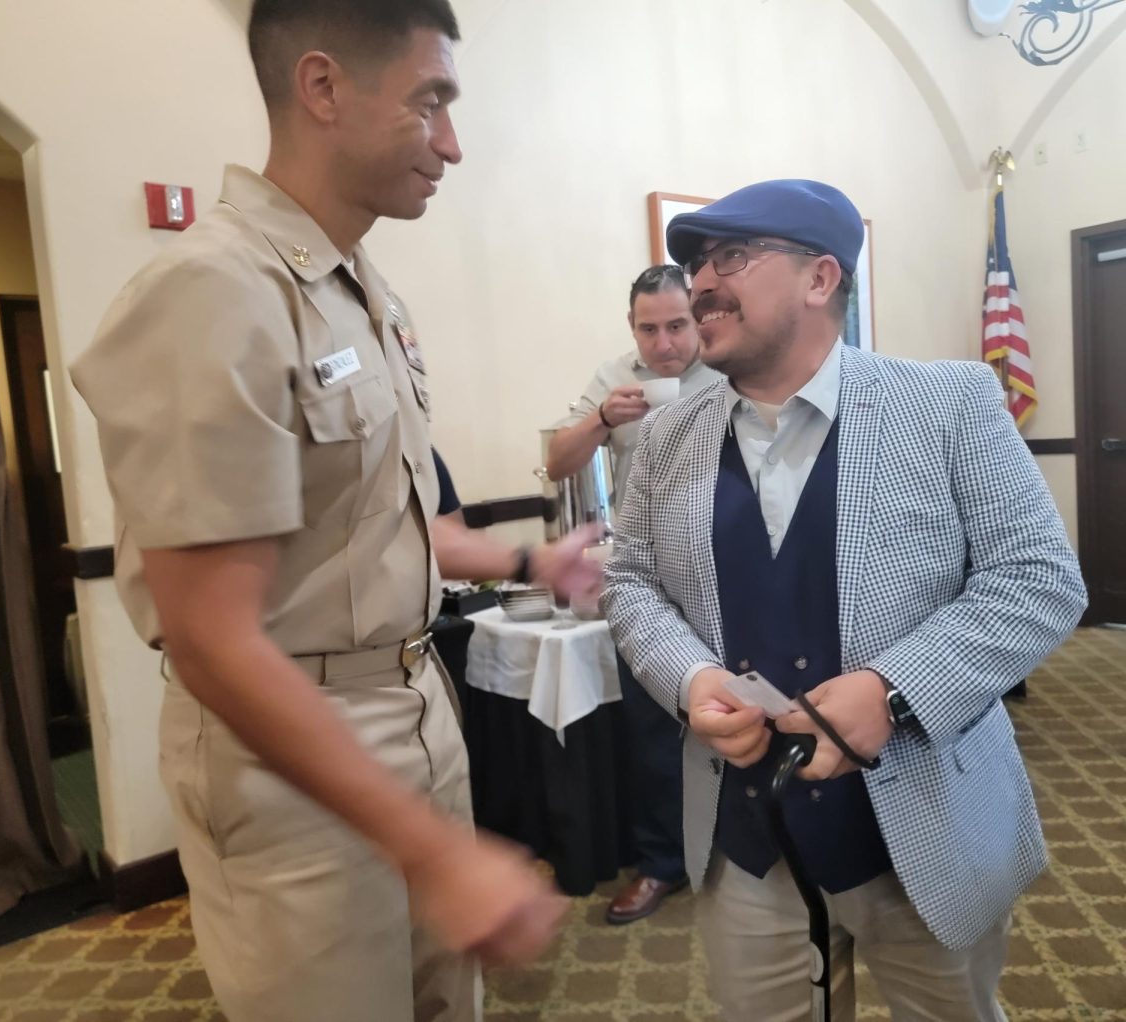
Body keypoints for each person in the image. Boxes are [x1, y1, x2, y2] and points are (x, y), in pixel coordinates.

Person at [70, 4, 568, 1020]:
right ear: (323, 87)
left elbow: (369, 529)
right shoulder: (213, 288)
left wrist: (527, 563)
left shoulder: (360, 293)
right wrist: (438, 850)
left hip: (414, 706)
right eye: (432, 101)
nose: (452, 144)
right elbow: (212, 639)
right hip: (289, 754)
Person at [601, 178, 1087, 1020]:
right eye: (694, 263)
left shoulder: (948, 403)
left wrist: (893, 691)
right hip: (744, 840)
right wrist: (686, 678)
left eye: (731, 258)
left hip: (926, 826)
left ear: (820, 279)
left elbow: (1040, 578)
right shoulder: (669, 430)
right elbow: (630, 580)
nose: (701, 283)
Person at [546, 266, 717, 923]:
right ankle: (662, 864)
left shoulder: (730, 367)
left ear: (697, 320)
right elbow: (558, 461)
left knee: (747, 712)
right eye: (650, 329)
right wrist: (600, 418)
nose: (665, 343)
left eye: (677, 326)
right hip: (645, 579)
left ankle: (752, 853)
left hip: (728, 572)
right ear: (632, 328)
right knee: (652, 734)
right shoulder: (615, 376)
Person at [431, 449, 602, 594]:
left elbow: (452, 533)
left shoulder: (425, 454)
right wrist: (539, 562)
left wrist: (540, 562)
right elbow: (418, 545)